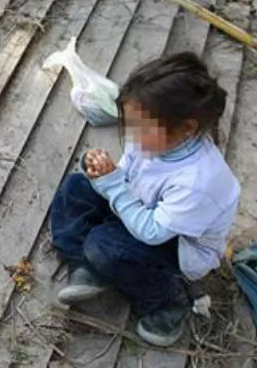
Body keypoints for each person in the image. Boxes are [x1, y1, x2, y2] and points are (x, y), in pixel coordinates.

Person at [48, 52, 240, 347]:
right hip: (142, 211)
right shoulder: (153, 140)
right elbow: (128, 175)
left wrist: (112, 187)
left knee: (104, 244)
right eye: (130, 124)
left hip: (177, 246)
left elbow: (152, 233)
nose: (133, 137)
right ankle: (85, 264)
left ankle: (167, 300)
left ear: (187, 128)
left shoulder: (199, 181)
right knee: (76, 186)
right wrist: (105, 173)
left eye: (141, 128)